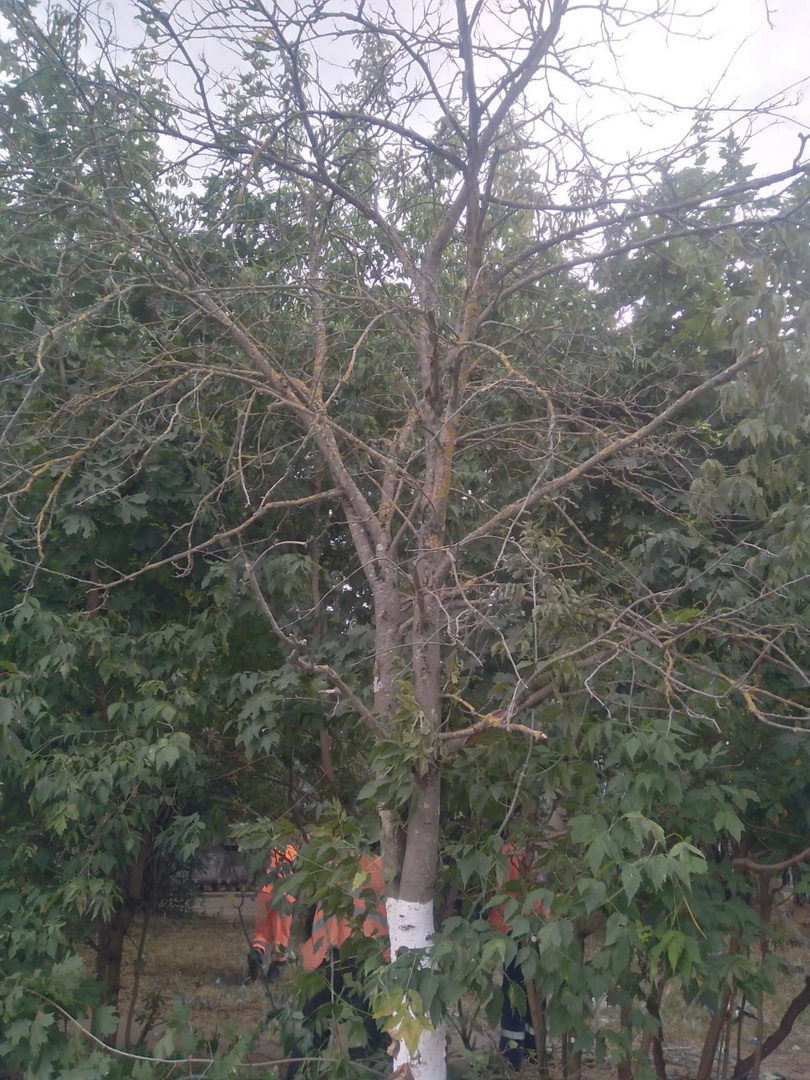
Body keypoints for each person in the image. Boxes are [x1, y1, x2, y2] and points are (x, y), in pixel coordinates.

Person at [491, 841, 550, 1071]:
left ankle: (515, 1055)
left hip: (518, 930)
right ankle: (530, 1053)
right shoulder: (530, 849)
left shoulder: (507, 850)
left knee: (517, 992)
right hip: (532, 929)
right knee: (530, 993)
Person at [246, 842, 298, 981]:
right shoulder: (292, 849)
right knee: (281, 933)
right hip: (283, 896)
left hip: (264, 893)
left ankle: (257, 952)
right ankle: (276, 967)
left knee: (261, 931)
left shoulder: (266, 846)